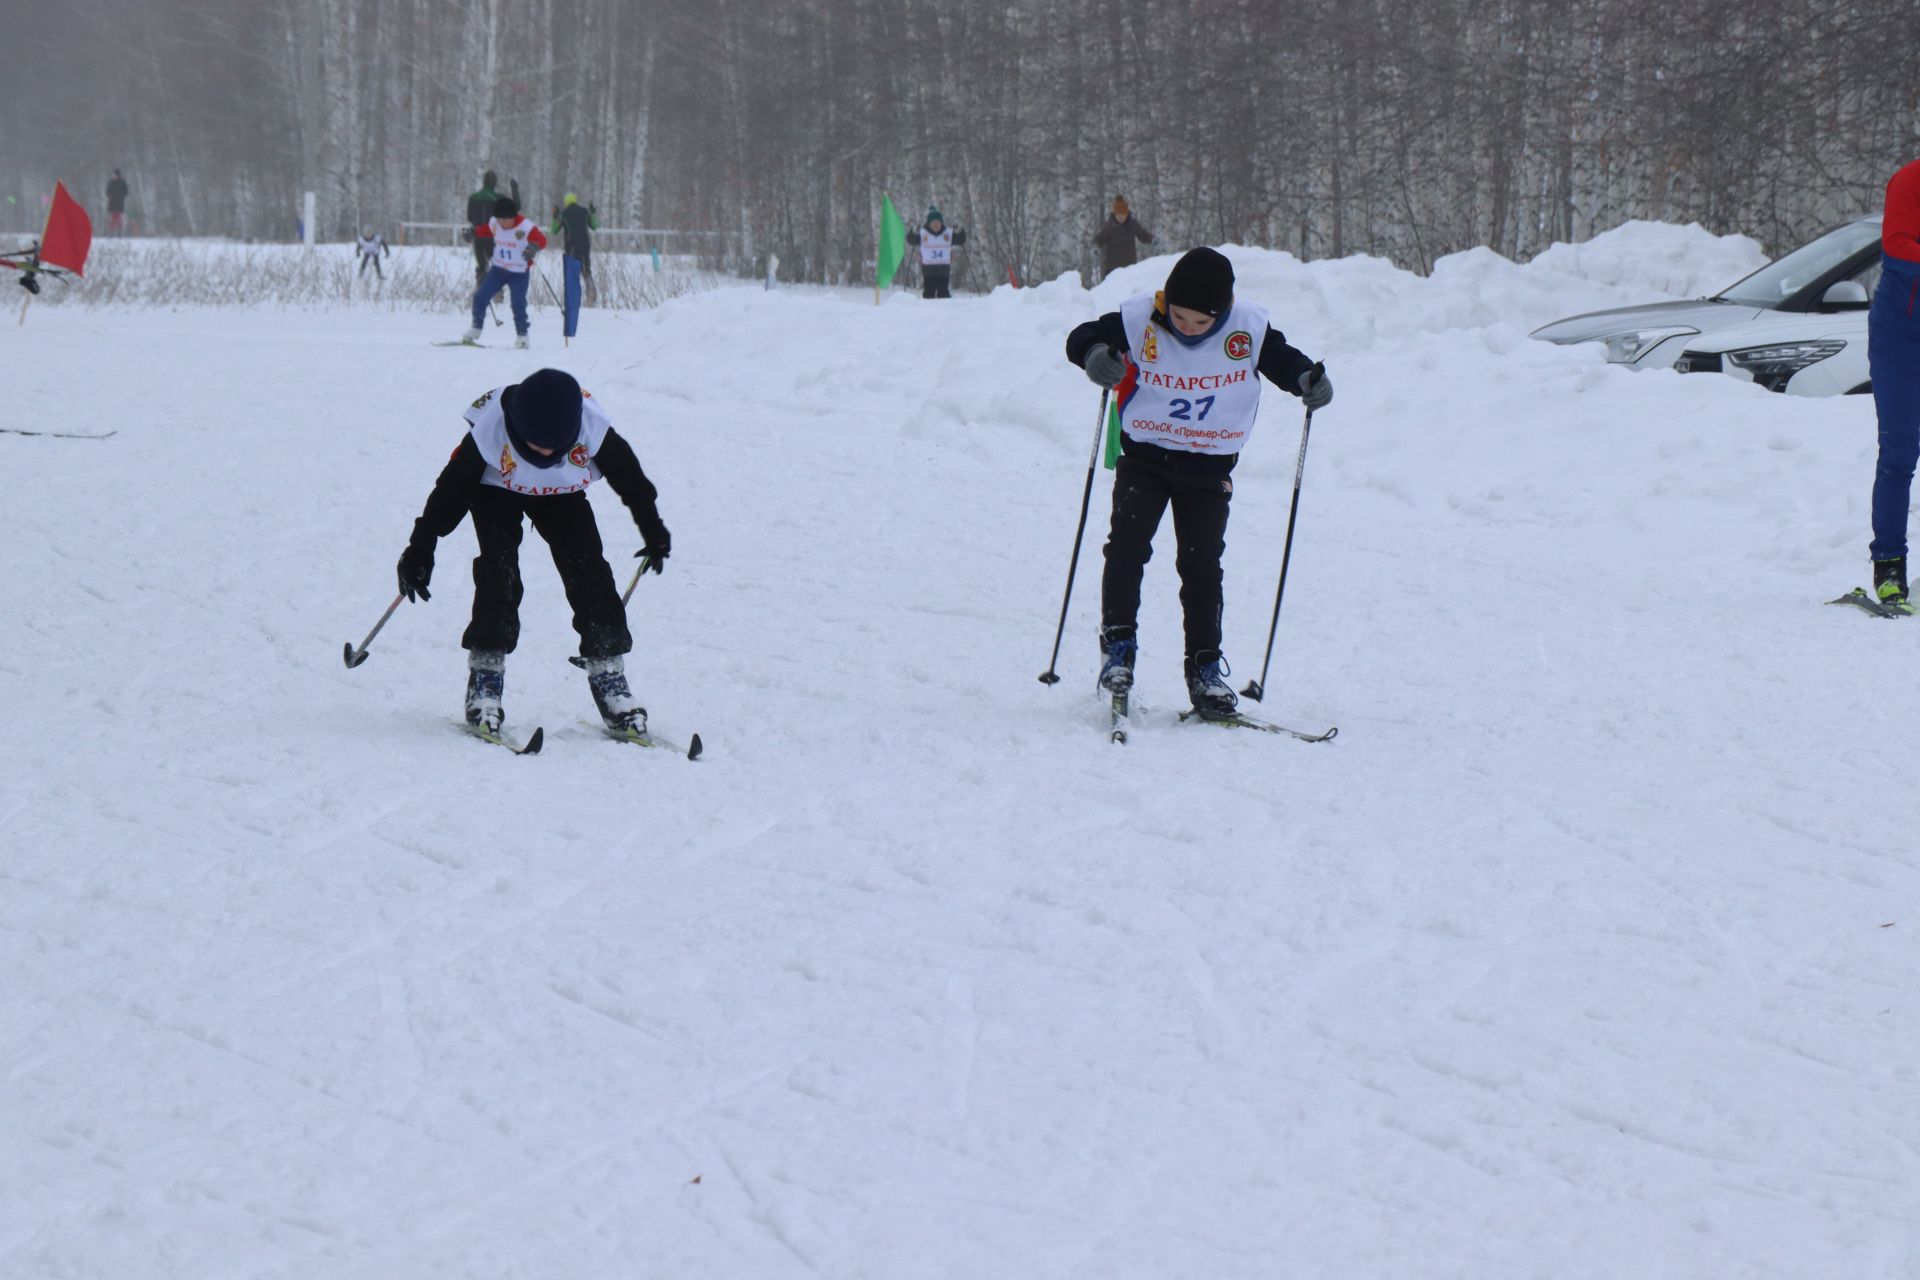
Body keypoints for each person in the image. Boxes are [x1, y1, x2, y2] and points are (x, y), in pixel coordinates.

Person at [1064, 246, 1333, 718]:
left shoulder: (1246, 330)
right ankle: (1119, 650)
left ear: (1223, 312)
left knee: (1202, 566)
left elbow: (1284, 361)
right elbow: (1082, 336)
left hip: (1208, 468)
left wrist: (1307, 380)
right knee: (1127, 549)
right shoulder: (1140, 318)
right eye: (1180, 317)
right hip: (1145, 458)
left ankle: (1205, 670)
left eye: (1200, 323)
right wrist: (1094, 355)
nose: (1187, 329)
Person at [394, 368, 673, 736]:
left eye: (551, 446)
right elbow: (451, 491)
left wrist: (653, 530)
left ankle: (609, 675)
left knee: (590, 571)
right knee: (499, 573)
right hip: (496, 489)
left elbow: (632, 481)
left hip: (562, 493)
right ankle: (485, 678)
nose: (542, 451)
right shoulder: (489, 431)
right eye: (533, 444)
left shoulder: (593, 427)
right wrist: (421, 545)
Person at [1869, 157, 1920, 609]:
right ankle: (1889, 566)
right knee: (1900, 450)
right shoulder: (1910, 179)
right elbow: (1897, 247)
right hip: (1901, 334)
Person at [459, 196, 545, 349]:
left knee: (518, 304)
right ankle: (476, 328)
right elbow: (484, 229)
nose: (501, 224)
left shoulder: (525, 226)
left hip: (519, 273)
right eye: (499, 220)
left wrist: (533, 247)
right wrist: (473, 232)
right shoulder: (495, 223)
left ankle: (522, 336)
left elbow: (542, 240)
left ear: (513, 217)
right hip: (498, 270)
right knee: (480, 297)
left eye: (505, 221)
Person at [463, 170, 512, 284]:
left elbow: (470, 217)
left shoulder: (473, 198)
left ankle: (480, 289)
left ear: (484, 182)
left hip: (478, 235)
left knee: (481, 266)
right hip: (495, 237)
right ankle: (498, 294)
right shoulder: (499, 198)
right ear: (494, 183)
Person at [905, 207, 966, 298]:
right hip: (928, 269)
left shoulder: (948, 233)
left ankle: (946, 310)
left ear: (941, 223)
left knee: (943, 293)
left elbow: (961, 240)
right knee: (929, 293)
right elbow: (911, 240)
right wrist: (913, 231)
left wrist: (960, 230)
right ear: (929, 224)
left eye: (938, 222)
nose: (936, 225)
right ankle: (928, 311)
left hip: (943, 268)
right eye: (933, 223)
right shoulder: (923, 233)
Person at [1092, 195, 1154, 280]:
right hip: (1112, 267)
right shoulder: (1109, 227)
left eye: (1123, 215)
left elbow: (1143, 235)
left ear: (1127, 214)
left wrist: (1152, 240)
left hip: (1129, 267)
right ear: (1114, 214)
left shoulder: (1132, 224)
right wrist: (1095, 247)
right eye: (1118, 215)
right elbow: (1100, 238)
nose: (1121, 217)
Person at [106, 170, 128, 236]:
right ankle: (111, 232)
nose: (114, 176)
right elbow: (107, 191)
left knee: (119, 218)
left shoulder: (122, 182)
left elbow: (125, 191)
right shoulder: (111, 182)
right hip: (112, 202)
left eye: (115, 175)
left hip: (119, 202)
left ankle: (119, 232)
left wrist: (121, 197)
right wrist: (110, 197)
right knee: (112, 218)